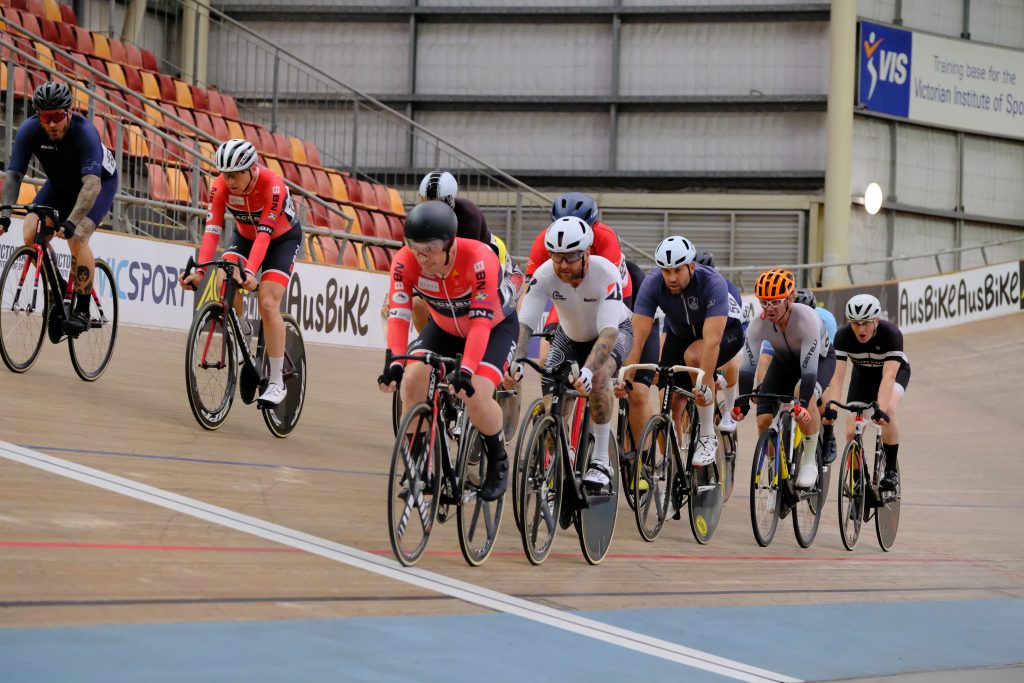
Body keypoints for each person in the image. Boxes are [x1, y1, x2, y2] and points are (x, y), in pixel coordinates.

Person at [378, 201, 516, 501]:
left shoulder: (480, 259)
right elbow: (399, 315)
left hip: (492, 329)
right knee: (412, 379)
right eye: (415, 248)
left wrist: (465, 370)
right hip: (443, 326)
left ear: (450, 245)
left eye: (429, 249)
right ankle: (416, 464)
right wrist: (395, 363)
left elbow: (480, 324)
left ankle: (497, 460)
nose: (421, 256)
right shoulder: (404, 261)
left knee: (476, 392)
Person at [511, 216, 633, 490]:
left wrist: (589, 371)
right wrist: (517, 358)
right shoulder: (544, 274)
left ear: (587, 253)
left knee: (600, 378)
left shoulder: (606, 274)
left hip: (614, 332)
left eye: (571, 257)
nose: (563, 265)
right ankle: (562, 456)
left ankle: (602, 460)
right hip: (570, 336)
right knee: (550, 395)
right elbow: (526, 323)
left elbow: (609, 334)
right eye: (557, 257)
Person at [178, 139, 301, 407]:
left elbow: (265, 236)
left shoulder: (274, 186)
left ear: (252, 169)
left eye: (235, 174)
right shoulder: (219, 186)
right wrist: (199, 271)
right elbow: (212, 231)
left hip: (281, 239)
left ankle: (277, 381)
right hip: (245, 235)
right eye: (225, 174)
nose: (229, 180)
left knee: (268, 303)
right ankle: (243, 325)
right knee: (224, 276)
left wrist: (249, 271)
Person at [0, 81, 119, 336]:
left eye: (57, 116)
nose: (51, 123)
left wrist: (71, 222)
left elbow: (91, 186)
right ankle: (58, 289)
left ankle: (83, 310)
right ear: (37, 116)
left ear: (69, 112)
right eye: (45, 117)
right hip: (60, 185)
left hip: (97, 184)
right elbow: (13, 176)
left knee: (77, 237)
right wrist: (5, 214)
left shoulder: (85, 132)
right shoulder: (30, 131)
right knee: (31, 230)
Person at [621, 236, 745, 467]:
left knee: (695, 358)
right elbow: (638, 336)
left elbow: (711, 342)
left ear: (691, 266)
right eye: (666, 272)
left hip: (725, 334)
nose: (672, 278)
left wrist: (704, 386)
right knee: (667, 398)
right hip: (682, 336)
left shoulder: (712, 282)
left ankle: (707, 435)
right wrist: (626, 378)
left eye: (677, 270)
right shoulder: (653, 284)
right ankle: (673, 460)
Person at [736, 268, 836, 488]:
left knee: (803, 395)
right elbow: (747, 368)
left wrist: (801, 404)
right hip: (784, 363)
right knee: (763, 420)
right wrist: (742, 402)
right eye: (763, 302)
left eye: (775, 301)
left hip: (819, 362)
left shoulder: (807, 319)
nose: (768, 309)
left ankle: (809, 461)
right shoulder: (758, 323)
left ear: (790, 298)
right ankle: (775, 471)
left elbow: (809, 371)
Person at [826, 294, 909, 491]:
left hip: (894, 374)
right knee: (850, 429)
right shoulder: (843, 336)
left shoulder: (891, 335)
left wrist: (879, 409)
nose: (860, 329)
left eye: (865, 323)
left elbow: (888, 376)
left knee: (888, 411)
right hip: (862, 377)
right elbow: (837, 377)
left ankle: (890, 471)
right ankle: (856, 484)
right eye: (855, 323)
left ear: (876, 321)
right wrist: (832, 405)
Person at [759, 287, 840, 461]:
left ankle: (828, 433)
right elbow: (765, 359)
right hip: (788, 361)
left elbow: (828, 367)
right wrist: (761, 386)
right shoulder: (777, 321)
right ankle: (775, 465)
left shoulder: (824, 320)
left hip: (818, 360)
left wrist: (827, 407)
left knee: (818, 399)